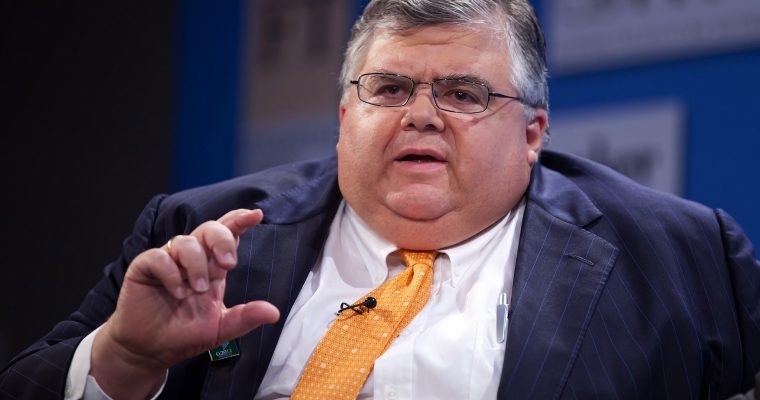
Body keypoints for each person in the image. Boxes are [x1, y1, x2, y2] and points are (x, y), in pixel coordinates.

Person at [2, 0, 759, 399]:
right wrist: (125, 359)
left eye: (463, 93)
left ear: (533, 133)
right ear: (344, 116)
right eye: (389, 88)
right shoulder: (201, 232)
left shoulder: (682, 258)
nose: (421, 115)